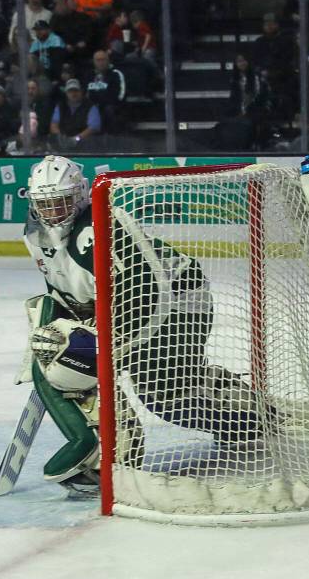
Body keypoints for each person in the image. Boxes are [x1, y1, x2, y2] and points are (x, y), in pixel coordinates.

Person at [20, 155, 267, 491]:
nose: (53, 212)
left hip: (177, 302)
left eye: (61, 202)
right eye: (45, 204)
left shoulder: (98, 227)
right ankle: (110, 448)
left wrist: (105, 342)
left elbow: (144, 290)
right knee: (73, 359)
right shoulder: (35, 234)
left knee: (162, 395)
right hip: (129, 304)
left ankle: (244, 416)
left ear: (79, 196)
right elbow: (62, 283)